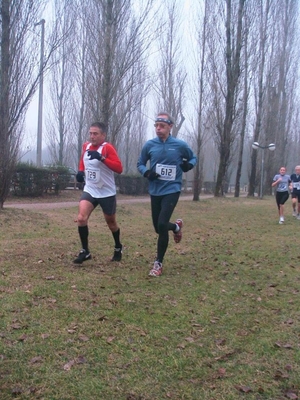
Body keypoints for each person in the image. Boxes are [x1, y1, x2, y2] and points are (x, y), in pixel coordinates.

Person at [137, 111, 197, 276]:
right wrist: (147, 173)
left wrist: (188, 166)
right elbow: (140, 163)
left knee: (162, 224)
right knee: (158, 228)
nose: (158, 129)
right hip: (155, 190)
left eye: (162, 126)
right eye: (156, 125)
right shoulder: (149, 145)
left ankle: (158, 263)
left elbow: (193, 158)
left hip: (172, 189)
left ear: (170, 127)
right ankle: (176, 227)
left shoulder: (180, 145)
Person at [74, 122, 123, 264]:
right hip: (90, 189)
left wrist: (101, 158)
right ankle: (85, 251)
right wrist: (80, 171)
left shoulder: (107, 148)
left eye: (95, 134)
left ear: (103, 135)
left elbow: (119, 168)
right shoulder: (86, 146)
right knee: (81, 218)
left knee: (111, 223)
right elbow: (83, 160)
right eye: (90, 133)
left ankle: (118, 247)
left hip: (106, 192)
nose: (92, 136)